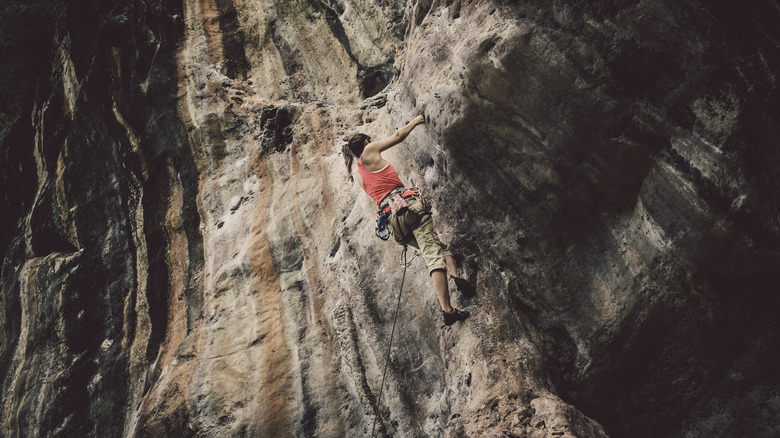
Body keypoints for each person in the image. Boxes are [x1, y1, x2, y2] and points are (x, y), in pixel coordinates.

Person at [342, 115, 472, 326]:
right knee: (433, 257)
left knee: (437, 246)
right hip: (407, 207)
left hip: (392, 221)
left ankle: (457, 276)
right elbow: (398, 135)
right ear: (366, 142)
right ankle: (448, 310)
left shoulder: (358, 173)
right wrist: (416, 121)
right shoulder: (369, 150)